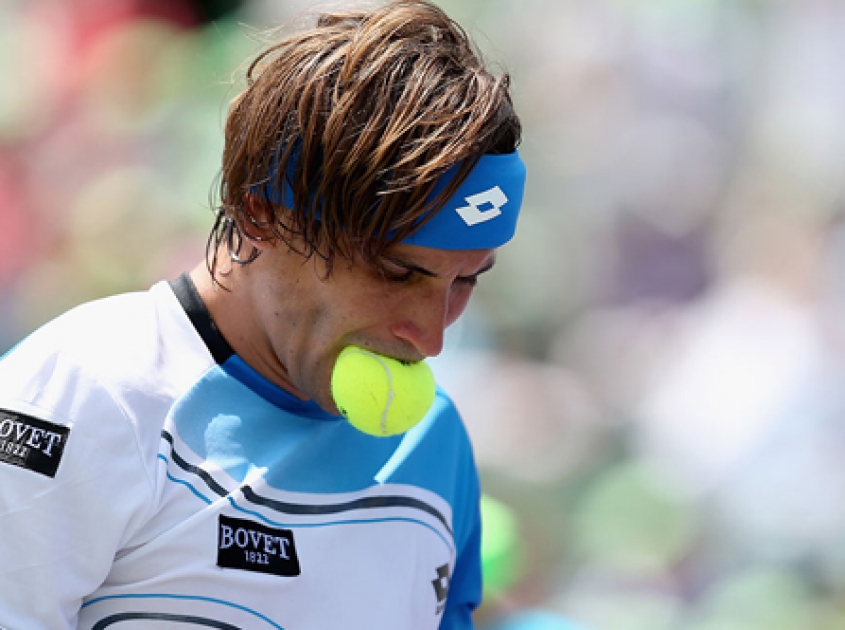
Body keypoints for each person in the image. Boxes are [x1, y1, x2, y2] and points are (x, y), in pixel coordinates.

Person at [0, 1, 526, 628]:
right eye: (396, 272)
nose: (432, 337)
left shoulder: (433, 442)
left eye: (464, 281)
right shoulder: (83, 393)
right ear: (263, 215)